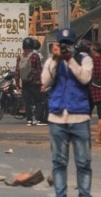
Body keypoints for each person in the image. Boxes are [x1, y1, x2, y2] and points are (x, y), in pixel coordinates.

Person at [40, 28, 93, 197]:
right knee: (59, 162)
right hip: (57, 118)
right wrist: (56, 60)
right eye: (63, 44)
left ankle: (84, 194)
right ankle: (60, 194)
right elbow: (45, 81)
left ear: (74, 44)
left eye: (69, 44)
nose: (65, 47)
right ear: (56, 44)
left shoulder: (85, 60)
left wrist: (70, 60)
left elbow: (85, 78)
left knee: (83, 162)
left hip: (80, 117)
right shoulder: (51, 62)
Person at [16, 37, 44, 126]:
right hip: (35, 83)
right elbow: (40, 70)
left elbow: (17, 71)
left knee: (27, 101)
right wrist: (42, 83)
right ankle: (38, 119)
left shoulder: (19, 57)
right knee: (38, 101)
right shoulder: (35, 56)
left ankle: (29, 120)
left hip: (25, 83)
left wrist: (17, 85)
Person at [91, 42, 101, 144]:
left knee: (86, 114)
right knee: (100, 116)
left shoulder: (92, 62)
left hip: (92, 90)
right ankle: (99, 137)